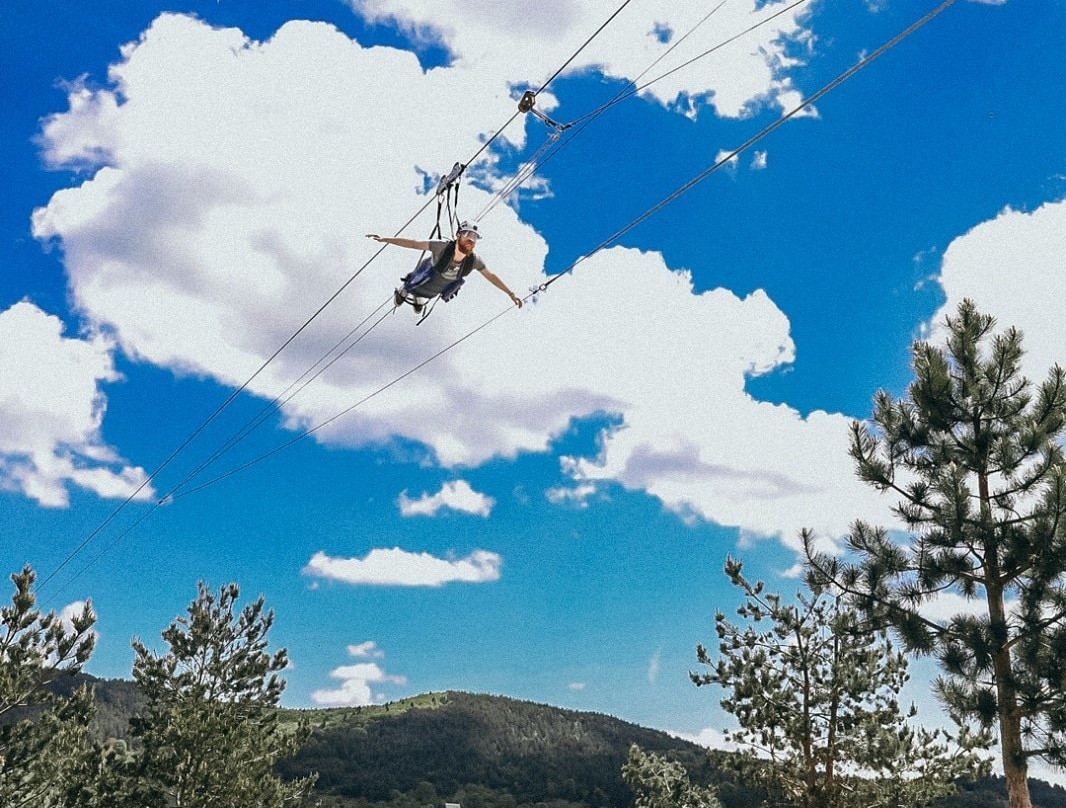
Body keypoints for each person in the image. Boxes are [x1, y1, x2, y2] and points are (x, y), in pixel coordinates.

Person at [367, 222, 523, 314]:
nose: (470, 240)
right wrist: (384, 239)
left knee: (430, 293)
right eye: (468, 234)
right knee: (415, 282)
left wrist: (511, 294)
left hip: (437, 288)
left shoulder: (473, 261)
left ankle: (419, 300)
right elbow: (414, 243)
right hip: (426, 275)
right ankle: (404, 291)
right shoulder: (440, 247)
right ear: (458, 235)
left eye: (474, 238)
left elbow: (491, 276)